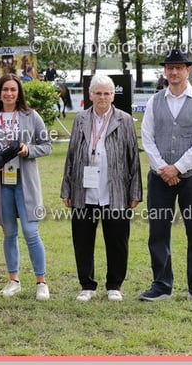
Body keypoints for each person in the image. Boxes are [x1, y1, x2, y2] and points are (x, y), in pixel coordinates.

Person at [139, 49, 192, 303]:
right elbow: (147, 138)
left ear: (187, 70)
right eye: (170, 68)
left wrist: (178, 168)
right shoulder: (154, 101)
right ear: (165, 71)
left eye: (178, 68)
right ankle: (161, 285)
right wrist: (163, 169)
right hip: (160, 177)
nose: (173, 72)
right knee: (158, 231)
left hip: (191, 176)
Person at [60, 74, 142, 302]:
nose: (102, 97)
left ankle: (114, 285)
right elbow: (71, 155)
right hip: (83, 190)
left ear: (113, 95)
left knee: (117, 240)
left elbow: (133, 158)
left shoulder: (125, 120)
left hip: (115, 191)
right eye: (98, 93)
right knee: (82, 240)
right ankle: (87, 285)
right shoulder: (80, 119)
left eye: (107, 93)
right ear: (90, 95)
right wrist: (66, 188)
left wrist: (135, 192)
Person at [0, 74, 52, 301]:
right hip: (1, 182)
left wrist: (28, 150)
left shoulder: (31, 116)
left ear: (19, 92)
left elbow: (47, 145)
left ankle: (41, 282)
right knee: (9, 232)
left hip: (25, 181)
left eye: (13, 89)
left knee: (31, 231)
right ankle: (14, 280)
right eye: (5, 89)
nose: (9, 93)